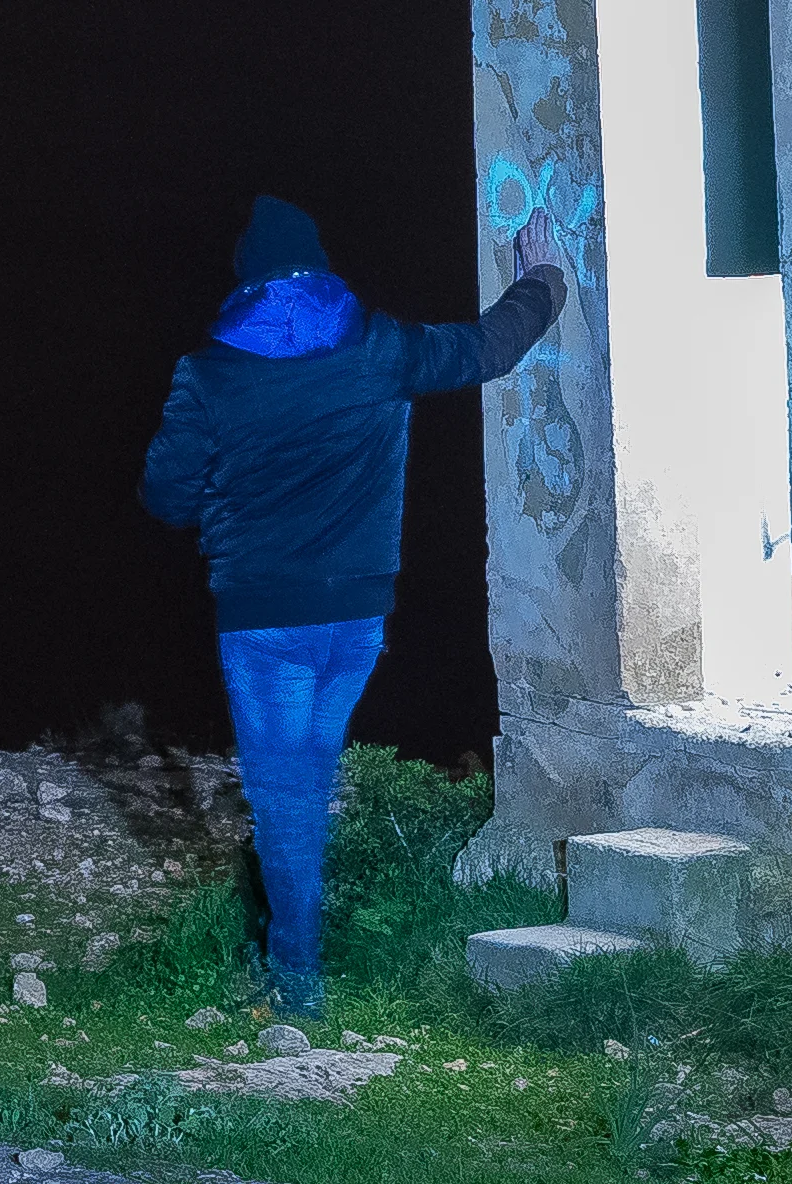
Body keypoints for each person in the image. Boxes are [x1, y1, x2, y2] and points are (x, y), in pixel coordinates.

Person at [136, 190, 570, 1018]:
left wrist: (230, 488)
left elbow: (165, 496)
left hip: (264, 619)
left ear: (245, 283)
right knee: (308, 775)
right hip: (358, 620)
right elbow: (488, 348)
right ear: (321, 267)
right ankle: (303, 946)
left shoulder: (209, 375)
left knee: (285, 792)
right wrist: (543, 280)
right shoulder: (378, 348)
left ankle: (297, 983)